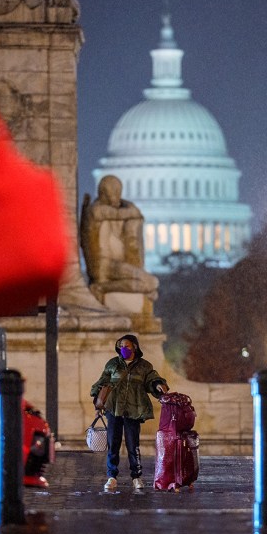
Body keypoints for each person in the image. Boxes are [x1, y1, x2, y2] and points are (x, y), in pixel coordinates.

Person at [90, 334, 168, 491]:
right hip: (114, 409)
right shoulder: (113, 364)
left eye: (126, 346)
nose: (123, 349)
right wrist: (97, 399)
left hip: (134, 410)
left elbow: (152, 379)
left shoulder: (144, 366)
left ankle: (136, 476)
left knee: (134, 445)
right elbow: (102, 382)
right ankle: (112, 476)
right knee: (113, 444)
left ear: (135, 347)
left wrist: (158, 385)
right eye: (120, 346)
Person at [79, 175, 160, 308]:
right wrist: (131, 207)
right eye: (114, 192)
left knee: (150, 286)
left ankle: (104, 287)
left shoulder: (111, 212)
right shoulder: (95, 210)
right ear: (103, 192)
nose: (117, 196)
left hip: (114, 264)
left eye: (119, 192)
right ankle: (101, 288)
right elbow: (124, 214)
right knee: (151, 283)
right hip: (103, 266)